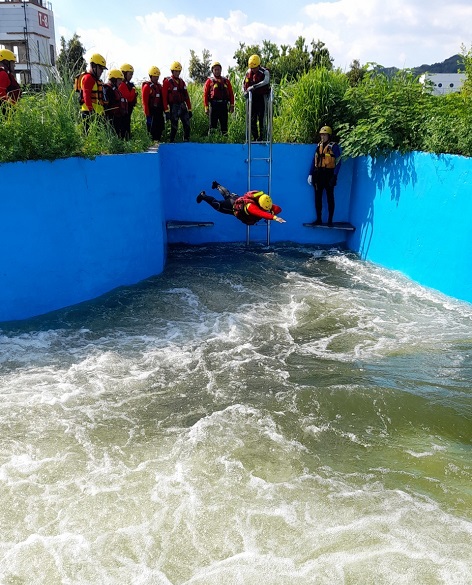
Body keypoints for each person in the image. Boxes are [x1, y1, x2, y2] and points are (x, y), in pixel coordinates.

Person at [196, 181, 286, 225]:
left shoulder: (262, 201)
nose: (267, 209)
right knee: (217, 205)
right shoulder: (251, 207)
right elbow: (260, 213)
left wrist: (273, 212)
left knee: (228, 195)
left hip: (238, 199)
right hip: (232, 206)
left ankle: (217, 185)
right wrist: (274, 217)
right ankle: (203, 195)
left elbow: (278, 208)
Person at [307, 125, 342, 226]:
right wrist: (310, 173)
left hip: (329, 174)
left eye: (325, 135)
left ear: (329, 135)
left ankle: (330, 220)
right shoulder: (319, 146)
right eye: (321, 135)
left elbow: (338, 162)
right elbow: (314, 160)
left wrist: (334, 175)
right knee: (318, 198)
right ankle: (319, 219)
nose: (322, 137)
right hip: (318, 174)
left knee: (330, 197)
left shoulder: (333, 147)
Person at [162, 61, 192, 142]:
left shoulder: (182, 82)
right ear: (172, 71)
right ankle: (172, 141)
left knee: (187, 124)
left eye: (179, 71)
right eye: (176, 71)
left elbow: (186, 96)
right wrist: (166, 110)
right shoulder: (167, 82)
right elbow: (164, 98)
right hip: (173, 106)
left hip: (182, 105)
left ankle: (186, 140)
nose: (177, 73)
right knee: (174, 126)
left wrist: (189, 109)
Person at [242, 54, 270, 142]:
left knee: (262, 118)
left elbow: (266, 81)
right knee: (252, 118)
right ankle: (255, 138)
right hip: (252, 98)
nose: (253, 70)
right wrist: (244, 91)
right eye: (251, 68)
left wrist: (254, 87)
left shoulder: (265, 72)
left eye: (254, 68)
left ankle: (262, 137)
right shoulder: (248, 72)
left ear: (258, 65)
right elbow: (243, 83)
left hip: (261, 97)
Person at [203, 61, 235, 136]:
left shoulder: (226, 81)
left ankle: (225, 142)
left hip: (224, 105)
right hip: (214, 106)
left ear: (221, 70)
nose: (217, 71)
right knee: (212, 126)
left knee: (224, 126)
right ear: (213, 71)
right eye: (215, 69)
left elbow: (231, 93)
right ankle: (211, 141)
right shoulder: (209, 81)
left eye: (218, 69)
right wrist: (206, 107)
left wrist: (232, 105)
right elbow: (205, 95)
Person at [79, 53, 107, 130]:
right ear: (94, 66)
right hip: (89, 113)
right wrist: (91, 112)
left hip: (97, 114)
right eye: (101, 68)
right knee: (88, 138)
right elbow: (86, 96)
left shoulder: (96, 80)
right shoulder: (88, 78)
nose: (102, 71)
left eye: (103, 69)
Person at [141, 66, 165, 141]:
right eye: (155, 76)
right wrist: (147, 114)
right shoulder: (147, 87)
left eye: (157, 76)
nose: (156, 78)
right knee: (152, 129)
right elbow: (145, 102)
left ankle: (158, 141)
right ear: (151, 76)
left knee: (160, 127)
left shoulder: (159, 86)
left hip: (159, 111)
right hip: (151, 111)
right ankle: (151, 142)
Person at [103, 69, 128, 138]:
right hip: (111, 117)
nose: (120, 82)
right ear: (114, 79)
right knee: (114, 134)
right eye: (119, 80)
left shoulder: (115, 89)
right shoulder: (108, 89)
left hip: (117, 117)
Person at [118, 63, 137, 139]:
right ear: (124, 74)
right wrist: (133, 90)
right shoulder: (122, 84)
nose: (131, 76)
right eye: (130, 74)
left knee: (127, 125)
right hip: (123, 110)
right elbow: (129, 97)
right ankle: (125, 140)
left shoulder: (128, 84)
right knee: (124, 126)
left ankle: (127, 139)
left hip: (128, 109)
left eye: (132, 74)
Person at [0, 49, 21, 113]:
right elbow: (1, 93)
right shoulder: (3, 74)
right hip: (5, 110)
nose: (14, 65)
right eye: (12, 62)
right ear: (6, 62)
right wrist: (13, 104)